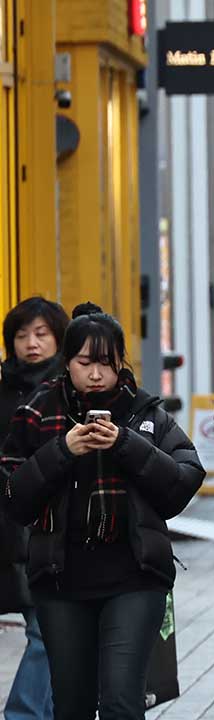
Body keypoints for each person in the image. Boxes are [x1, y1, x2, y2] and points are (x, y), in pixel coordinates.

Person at [0, 303, 205, 720]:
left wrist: (126, 444)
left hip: (134, 576)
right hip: (60, 581)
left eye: (106, 364)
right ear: (67, 362)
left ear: (120, 363)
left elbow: (183, 482)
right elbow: (13, 498)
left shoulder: (146, 414)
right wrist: (63, 450)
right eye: (85, 363)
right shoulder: (37, 414)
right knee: (72, 704)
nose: (96, 374)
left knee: (120, 701)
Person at [1, 298, 70, 720]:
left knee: (44, 630)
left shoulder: (69, 388)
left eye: (42, 334)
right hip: (7, 526)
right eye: (22, 335)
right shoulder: (3, 390)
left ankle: (25, 714)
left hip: (53, 527)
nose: (31, 343)